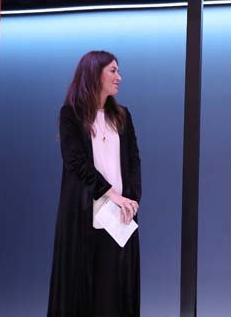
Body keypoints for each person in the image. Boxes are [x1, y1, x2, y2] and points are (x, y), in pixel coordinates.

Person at [48, 50, 142, 316]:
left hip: (120, 217)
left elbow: (134, 162)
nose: (119, 77)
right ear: (94, 72)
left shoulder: (123, 115)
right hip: (84, 215)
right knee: (82, 291)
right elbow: (75, 162)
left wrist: (132, 199)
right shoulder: (71, 115)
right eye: (113, 70)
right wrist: (111, 194)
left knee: (115, 292)